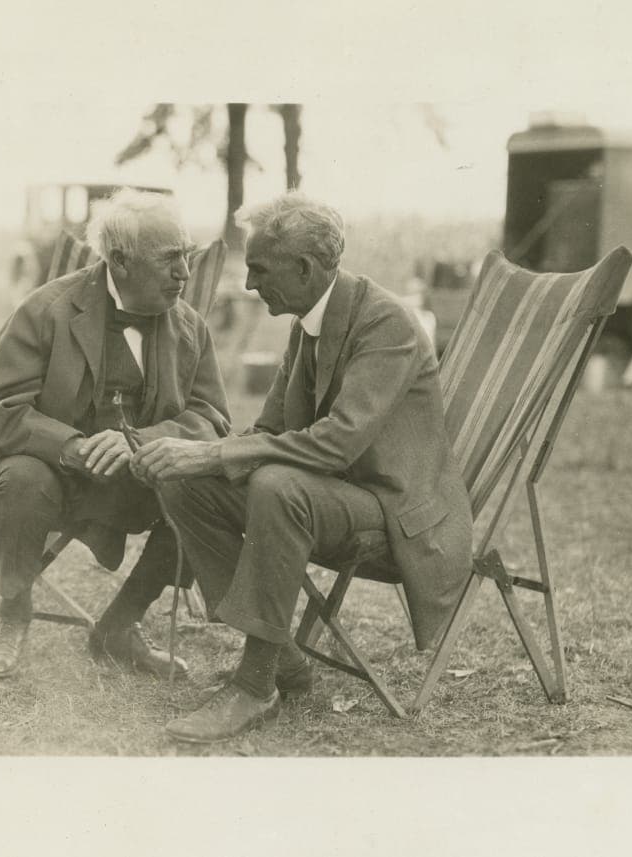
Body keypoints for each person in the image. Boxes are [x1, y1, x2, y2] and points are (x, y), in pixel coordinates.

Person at [131, 192, 472, 742]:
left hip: (396, 511)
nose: (248, 285)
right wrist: (191, 458)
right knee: (187, 486)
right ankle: (286, 659)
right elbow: (270, 431)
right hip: (332, 496)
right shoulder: (308, 322)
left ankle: (255, 682)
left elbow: (337, 445)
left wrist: (217, 452)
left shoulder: (387, 325)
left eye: (259, 270)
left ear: (306, 268)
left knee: (276, 485)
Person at [0, 188, 230, 680]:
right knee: (20, 476)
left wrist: (142, 442)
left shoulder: (189, 327)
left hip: (133, 483)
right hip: (49, 478)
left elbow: (211, 417)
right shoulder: (46, 310)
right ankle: (12, 613)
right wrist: (71, 447)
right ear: (120, 261)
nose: (185, 274)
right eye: (170, 260)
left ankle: (119, 627)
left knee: (205, 488)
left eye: (187, 257)